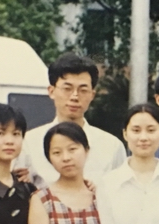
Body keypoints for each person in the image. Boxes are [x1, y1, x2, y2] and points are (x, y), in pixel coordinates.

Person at [20, 53, 127, 185]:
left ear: (92, 95)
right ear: (51, 91)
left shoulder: (111, 146)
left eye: (83, 90)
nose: (75, 96)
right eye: (67, 89)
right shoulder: (29, 143)